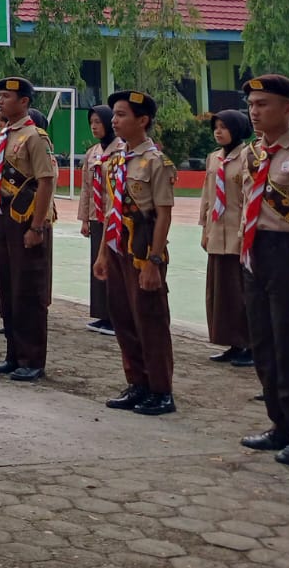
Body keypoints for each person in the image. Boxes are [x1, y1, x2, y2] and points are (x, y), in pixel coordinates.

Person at [94, 89, 176, 416]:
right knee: (124, 317)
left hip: (143, 248)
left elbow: (163, 214)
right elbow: (111, 210)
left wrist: (154, 261)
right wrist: (102, 254)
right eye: (114, 114)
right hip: (117, 245)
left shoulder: (156, 161)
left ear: (142, 120)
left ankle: (161, 390)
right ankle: (137, 383)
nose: (114, 120)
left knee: (150, 320)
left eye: (122, 115)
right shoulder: (116, 159)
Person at [235, 75, 289, 466]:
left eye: (263, 104)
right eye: (252, 105)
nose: (255, 112)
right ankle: (278, 424)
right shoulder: (253, 153)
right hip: (255, 252)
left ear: (288, 108)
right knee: (263, 342)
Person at [0, 77, 56, 384]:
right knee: (7, 287)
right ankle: (13, 353)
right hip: (3, 219)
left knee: (28, 290)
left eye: (7, 96)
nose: (1, 101)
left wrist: (36, 226)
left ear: (24, 101)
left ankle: (32, 359)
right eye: (0, 96)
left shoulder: (34, 137)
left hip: (25, 220)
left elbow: (46, 181)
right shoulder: (5, 134)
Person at [201, 109, 253, 366]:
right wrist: (204, 229)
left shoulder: (248, 158)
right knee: (221, 292)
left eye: (224, 126)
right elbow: (208, 197)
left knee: (240, 291)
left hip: (238, 234)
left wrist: (247, 233)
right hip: (217, 234)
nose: (218, 131)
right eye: (216, 126)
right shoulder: (214, 159)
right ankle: (232, 341)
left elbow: (250, 199)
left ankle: (250, 344)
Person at [77, 105, 118, 335]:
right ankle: (102, 314)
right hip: (96, 216)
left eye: (98, 122)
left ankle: (115, 316)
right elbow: (86, 188)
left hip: (114, 217)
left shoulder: (120, 150)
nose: (94, 126)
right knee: (97, 264)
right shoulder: (92, 153)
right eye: (91, 122)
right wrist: (85, 219)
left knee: (113, 266)